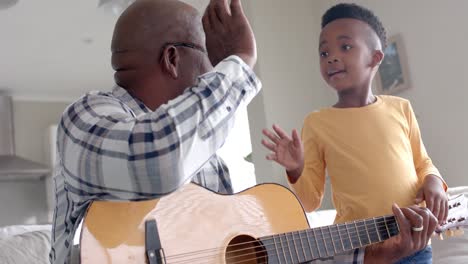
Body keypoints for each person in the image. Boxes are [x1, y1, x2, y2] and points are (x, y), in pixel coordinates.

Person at [49, 0, 260, 263]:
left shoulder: (208, 159)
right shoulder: (85, 117)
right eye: (210, 56)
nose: (214, 72)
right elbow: (160, 162)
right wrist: (238, 61)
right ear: (172, 59)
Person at [262, 3, 447, 263]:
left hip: (413, 241)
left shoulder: (401, 108)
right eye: (324, 52)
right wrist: (296, 169)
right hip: (361, 251)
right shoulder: (317, 122)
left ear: (375, 57)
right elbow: (308, 202)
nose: (331, 57)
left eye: (345, 47)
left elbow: (423, 162)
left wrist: (434, 182)